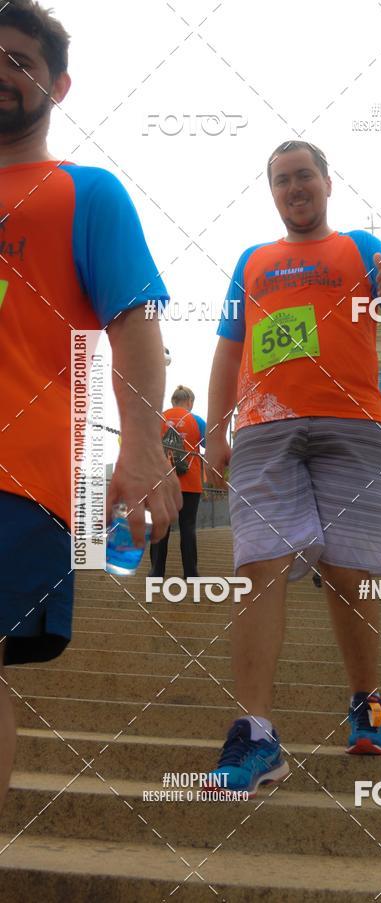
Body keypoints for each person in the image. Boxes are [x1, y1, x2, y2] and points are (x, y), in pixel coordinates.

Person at [204, 139, 381, 794]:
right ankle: (256, 734)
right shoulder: (252, 261)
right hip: (264, 428)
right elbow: (228, 351)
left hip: (352, 424)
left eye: (304, 175)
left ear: (328, 183)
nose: (294, 187)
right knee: (258, 565)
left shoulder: (362, 248)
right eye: (281, 180)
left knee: (347, 572)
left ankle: (367, 703)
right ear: (272, 192)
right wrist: (215, 434)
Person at [0, 1, 181, 811]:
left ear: (58, 85)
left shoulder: (86, 192)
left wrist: (142, 449)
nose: (2, 73)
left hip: (17, 476)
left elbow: (135, 323)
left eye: (20, 61)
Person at [149, 386, 206, 584]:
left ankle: (156, 573)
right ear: (189, 401)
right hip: (190, 483)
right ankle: (191, 574)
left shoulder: (158, 418)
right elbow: (209, 444)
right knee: (188, 527)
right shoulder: (197, 421)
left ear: (173, 401)